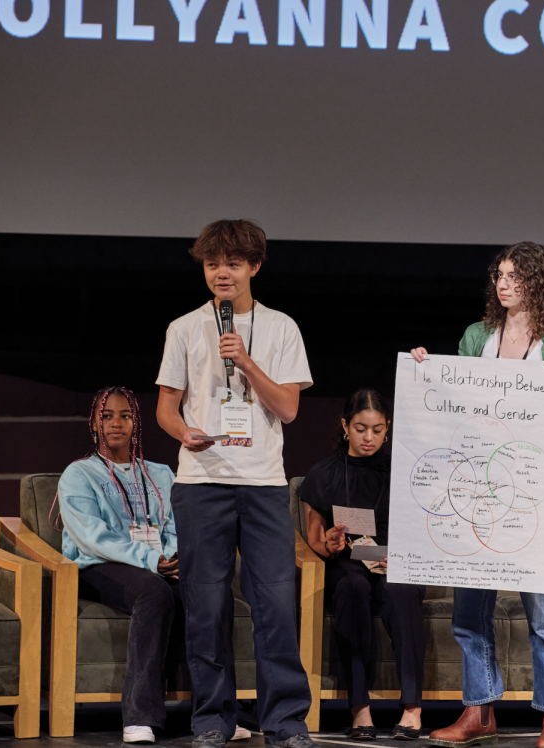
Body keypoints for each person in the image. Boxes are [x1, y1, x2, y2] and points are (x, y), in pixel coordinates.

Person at [410, 241, 544, 748]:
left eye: (515, 275)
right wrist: (426, 369)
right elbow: (456, 398)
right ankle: (478, 710)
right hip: (477, 487)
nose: (504, 283)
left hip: (532, 490)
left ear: (539, 282)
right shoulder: (478, 336)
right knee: (470, 611)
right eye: (500, 275)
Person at [156, 219, 316, 748]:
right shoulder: (183, 328)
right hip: (201, 481)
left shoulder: (281, 328)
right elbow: (165, 408)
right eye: (211, 264)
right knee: (206, 606)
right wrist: (186, 432)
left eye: (231, 263)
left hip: (265, 483)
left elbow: (289, 408)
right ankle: (211, 720)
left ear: (254, 267)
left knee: (274, 604)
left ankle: (286, 722)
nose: (220, 273)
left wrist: (245, 361)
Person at [57, 387, 251, 745]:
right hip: (99, 566)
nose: (116, 423)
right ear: (94, 423)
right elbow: (91, 536)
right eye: (107, 415)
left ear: (136, 423)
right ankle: (140, 716)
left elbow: (178, 523)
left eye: (125, 416)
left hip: (160, 563)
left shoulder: (160, 473)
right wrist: (152, 561)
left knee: (210, 594)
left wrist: (175, 558)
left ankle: (220, 714)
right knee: (153, 593)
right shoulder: (79, 474)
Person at [298, 389, 427, 741]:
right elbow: (315, 540)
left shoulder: (407, 472)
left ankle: (412, 708)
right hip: (349, 564)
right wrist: (330, 542)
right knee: (351, 587)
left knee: (401, 591)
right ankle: (360, 708)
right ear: (345, 426)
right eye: (360, 428)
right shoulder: (323, 474)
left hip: (396, 562)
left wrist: (402, 554)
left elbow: (428, 529)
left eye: (377, 429)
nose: (368, 438)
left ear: (388, 429)